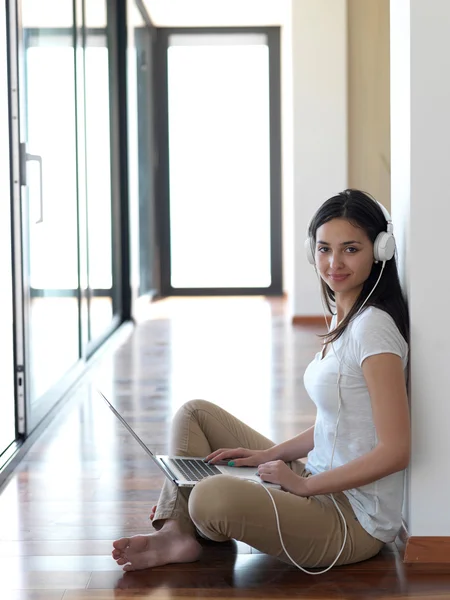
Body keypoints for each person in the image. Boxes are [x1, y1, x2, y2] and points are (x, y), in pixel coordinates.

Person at [112, 189, 410, 572]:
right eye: (323, 249)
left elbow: (395, 450)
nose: (334, 262)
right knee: (195, 414)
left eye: (350, 249)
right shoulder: (346, 314)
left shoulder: (374, 330)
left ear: (380, 250)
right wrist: (272, 456)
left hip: (350, 519)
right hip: (316, 479)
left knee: (208, 498)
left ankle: (187, 521)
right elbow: (337, 423)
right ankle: (178, 532)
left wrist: (300, 486)